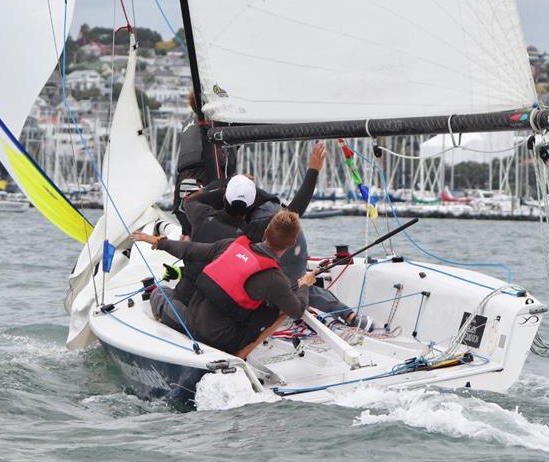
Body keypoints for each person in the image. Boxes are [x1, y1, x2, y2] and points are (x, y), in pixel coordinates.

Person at [178, 144, 373, 331]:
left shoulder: (207, 217)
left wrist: (229, 184)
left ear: (223, 199)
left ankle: (277, 307)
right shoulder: (261, 220)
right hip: (292, 246)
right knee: (294, 284)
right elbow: (295, 211)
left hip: (284, 252)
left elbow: (192, 200)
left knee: (279, 284)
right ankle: (349, 315)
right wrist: (313, 170)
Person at [132, 211, 316, 357]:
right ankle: (240, 355)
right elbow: (297, 310)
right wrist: (305, 284)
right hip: (223, 341)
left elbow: (188, 250)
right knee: (274, 309)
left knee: (160, 292)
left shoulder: (231, 245)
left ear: (266, 232)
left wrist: (157, 241)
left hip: (192, 322)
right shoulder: (275, 279)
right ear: (291, 244)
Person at [172, 90, 237, 236]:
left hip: (183, 189)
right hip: (204, 182)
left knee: (190, 230)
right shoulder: (220, 121)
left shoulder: (189, 121)